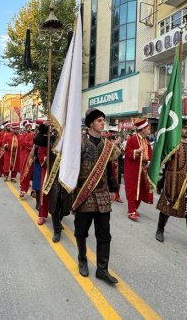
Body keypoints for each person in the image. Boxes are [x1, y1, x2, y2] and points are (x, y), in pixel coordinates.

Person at [73, 108, 121, 285]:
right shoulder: (79, 143)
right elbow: (71, 168)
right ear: (91, 123)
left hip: (101, 194)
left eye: (103, 120)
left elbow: (110, 169)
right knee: (81, 232)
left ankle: (102, 269)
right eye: (99, 120)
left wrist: (114, 188)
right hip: (83, 192)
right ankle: (82, 259)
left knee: (104, 234)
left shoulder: (108, 145)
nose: (103, 123)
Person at [155, 119, 187, 246]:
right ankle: (160, 230)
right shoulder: (172, 143)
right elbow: (163, 158)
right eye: (185, 127)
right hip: (172, 180)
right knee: (167, 206)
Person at [123, 119, 153, 220]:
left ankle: (135, 208)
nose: (150, 130)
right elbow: (127, 153)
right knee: (132, 190)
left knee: (141, 191)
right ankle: (131, 211)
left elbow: (150, 154)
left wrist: (149, 162)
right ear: (143, 129)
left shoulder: (147, 141)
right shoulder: (132, 139)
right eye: (148, 129)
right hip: (133, 170)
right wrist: (137, 151)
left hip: (144, 171)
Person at [17, 121, 35, 197]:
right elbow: (22, 142)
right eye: (27, 126)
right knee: (24, 172)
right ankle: (23, 189)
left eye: (30, 126)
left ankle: (28, 189)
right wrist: (29, 144)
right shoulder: (22, 135)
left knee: (30, 173)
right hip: (24, 156)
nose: (29, 128)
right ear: (25, 127)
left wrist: (28, 143)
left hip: (31, 156)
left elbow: (33, 143)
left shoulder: (33, 135)